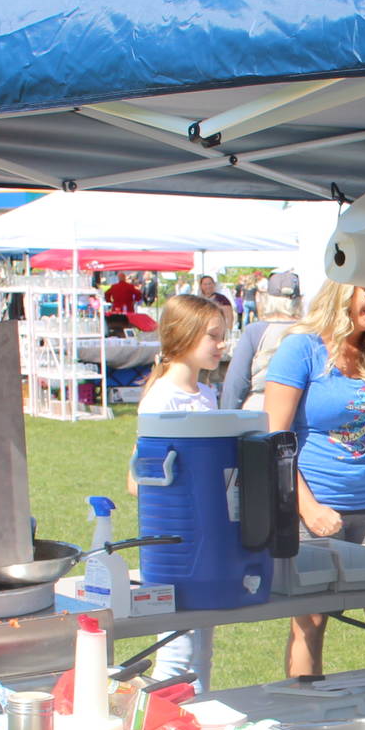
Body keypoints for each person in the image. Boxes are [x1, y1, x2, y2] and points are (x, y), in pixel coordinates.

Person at [261, 281, 365, 674]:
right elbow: (274, 438)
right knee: (310, 621)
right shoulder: (302, 349)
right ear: (345, 290)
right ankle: (304, 721)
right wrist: (307, 509)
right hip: (313, 507)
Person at [136, 295, 228, 692]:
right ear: (185, 334)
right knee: (176, 648)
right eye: (213, 336)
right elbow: (143, 472)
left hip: (207, 532)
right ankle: (162, 725)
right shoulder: (161, 398)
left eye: (223, 336)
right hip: (175, 538)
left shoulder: (206, 394)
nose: (221, 345)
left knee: (202, 648)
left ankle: (197, 721)